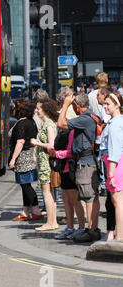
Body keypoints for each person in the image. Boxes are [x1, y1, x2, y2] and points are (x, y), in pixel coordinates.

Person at [57, 92, 101, 243]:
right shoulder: (90, 117)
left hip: (86, 162)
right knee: (91, 197)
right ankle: (92, 228)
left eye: (73, 106)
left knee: (89, 197)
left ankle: (90, 230)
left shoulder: (85, 118)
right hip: (88, 161)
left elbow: (60, 123)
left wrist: (65, 105)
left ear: (77, 106)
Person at [8, 102, 42, 221]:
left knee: (25, 185)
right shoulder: (31, 121)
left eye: (14, 108)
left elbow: (20, 142)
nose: (12, 110)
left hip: (23, 157)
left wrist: (13, 159)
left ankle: (36, 210)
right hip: (30, 155)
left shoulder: (22, 123)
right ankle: (25, 211)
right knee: (25, 185)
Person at [30, 99, 59, 231]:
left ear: (45, 110)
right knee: (49, 193)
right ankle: (52, 221)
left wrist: (37, 143)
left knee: (47, 192)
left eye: (38, 109)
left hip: (46, 162)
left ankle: (50, 222)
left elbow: (51, 146)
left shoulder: (48, 124)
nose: (36, 111)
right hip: (45, 161)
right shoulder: (49, 123)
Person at [100, 91, 123, 241]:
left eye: (108, 104)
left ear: (117, 105)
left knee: (117, 202)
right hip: (117, 163)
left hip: (115, 165)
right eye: (104, 104)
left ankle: (119, 236)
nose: (105, 106)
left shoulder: (115, 124)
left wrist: (110, 174)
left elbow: (114, 150)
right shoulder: (119, 121)